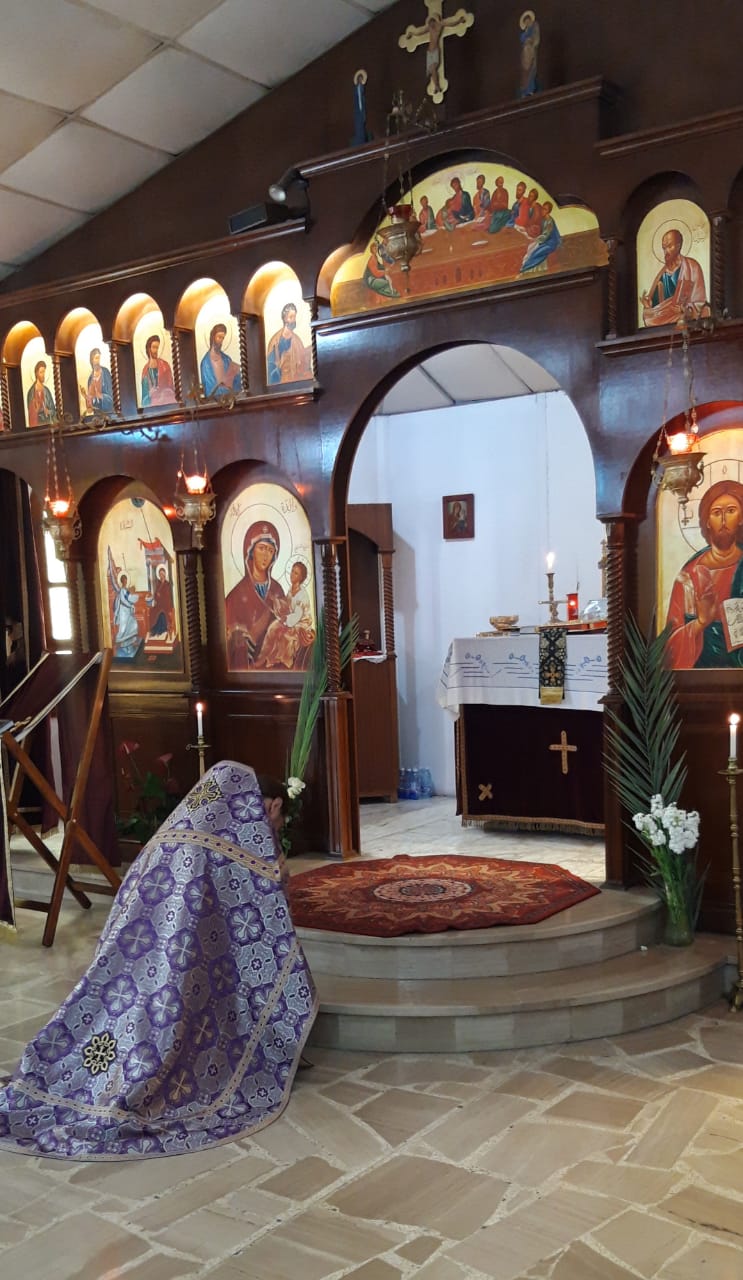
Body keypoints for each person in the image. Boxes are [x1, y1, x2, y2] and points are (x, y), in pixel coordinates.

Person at [0, 762, 317, 1160]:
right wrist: (277, 875)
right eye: (276, 820)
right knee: (160, 1040)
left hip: (125, 966)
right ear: (271, 806)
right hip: (171, 978)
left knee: (113, 1022)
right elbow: (261, 921)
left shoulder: (171, 833)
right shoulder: (229, 854)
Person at [665, 479, 743, 668]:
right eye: (716, 513)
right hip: (702, 676)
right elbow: (670, 646)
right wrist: (700, 622)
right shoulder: (688, 577)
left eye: (731, 511)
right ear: (707, 521)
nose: (723, 520)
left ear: (741, 518)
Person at [225, 520, 287, 669]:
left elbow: (285, 625)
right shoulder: (236, 595)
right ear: (251, 551)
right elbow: (227, 636)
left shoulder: (277, 590)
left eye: (270, 551)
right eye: (262, 548)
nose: (266, 555)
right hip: (246, 670)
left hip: (274, 666)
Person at [641, 229, 708, 327]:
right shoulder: (662, 275)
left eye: (669, 246)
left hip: (686, 319)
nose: (666, 251)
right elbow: (654, 311)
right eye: (664, 248)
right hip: (663, 323)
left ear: (678, 246)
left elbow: (701, 303)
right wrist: (648, 306)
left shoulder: (692, 267)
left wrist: (685, 309)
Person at [257, 561, 315, 669]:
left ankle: (284, 662)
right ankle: (265, 658)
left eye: (296, 573)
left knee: (285, 636)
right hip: (290, 621)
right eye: (292, 571)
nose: (292, 574)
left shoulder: (302, 595)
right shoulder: (291, 589)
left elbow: (297, 615)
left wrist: (286, 618)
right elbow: (288, 605)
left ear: (301, 577)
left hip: (301, 624)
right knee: (272, 628)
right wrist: (276, 601)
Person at [266, 303, 312, 385]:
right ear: (285, 319)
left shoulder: (297, 341)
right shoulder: (275, 341)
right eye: (291, 317)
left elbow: (303, 366)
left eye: (294, 317)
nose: (294, 320)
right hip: (281, 384)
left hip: (296, 384)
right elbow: (271, 368)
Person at [200, 323, 242, 397]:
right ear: (213, 337)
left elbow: (236, 385)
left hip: (231, 400)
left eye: (223, 338)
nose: (221, 341)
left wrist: (237, 374)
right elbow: (210, 390)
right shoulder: (206, 363)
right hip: (215, 402)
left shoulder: (227, 359)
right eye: (219, 337)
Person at [520, 200, 562, 272]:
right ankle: (526, 268)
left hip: (551, 243)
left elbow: (545, 235)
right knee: (530, 248)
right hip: (544, 241)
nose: (542, 211)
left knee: (535, 253)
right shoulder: (543, 220)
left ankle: (524, 269)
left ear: (548, 211)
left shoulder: (549, 221)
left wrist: (535, 240)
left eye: (545, 209)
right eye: (542, 208)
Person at [110, 565, 141, 660]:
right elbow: (127, 599)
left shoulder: (125, 590)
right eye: (124, 580)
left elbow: (129, 598)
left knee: (132, 625)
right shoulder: (122, 590)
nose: (125, 581)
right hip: (124, 612)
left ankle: (128, 645)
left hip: (127, 611)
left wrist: (133, 595)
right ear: (122, 581)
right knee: (123, 629)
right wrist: (135, 597)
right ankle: (118, 644)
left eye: (126, 579)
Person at [140, 335, 175, 407]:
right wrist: (150, 394)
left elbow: (171, 388)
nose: (156, 350)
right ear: (149, 348)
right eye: (154, 347)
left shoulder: (165, 366)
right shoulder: (145, 370)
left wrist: (164, 392)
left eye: (157, 348)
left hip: (166, 402)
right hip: (153, 406)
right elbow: (144, 399)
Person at [80, 347, 114, 415]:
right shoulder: (90, 379)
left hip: (109, 413)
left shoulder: (105, 372)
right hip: (97, 415)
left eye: (99, 358)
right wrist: (85, 396)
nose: (98, 361)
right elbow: (90, 408)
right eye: (96, 358)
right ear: (92, 360)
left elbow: (112, 396)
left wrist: (100, 395)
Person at [147, 565, 176, 639]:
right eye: (160, 574)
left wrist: (161, 595)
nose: (161, 575)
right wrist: (157, 596)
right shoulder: (158, 584)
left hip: (166, 605)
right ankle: (154, 630)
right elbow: (155, 595)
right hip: (159, 604)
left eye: (162, 574)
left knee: (161, 614)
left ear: (165, 574)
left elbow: (168, 596)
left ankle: (158, 631)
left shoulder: (167, 584)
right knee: (152, 612)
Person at [26, 359, 57, 426]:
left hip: (48, 424)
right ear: (36, 373)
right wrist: (36, 410)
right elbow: (30, 413)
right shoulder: (31, 393)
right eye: (41, 372)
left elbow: (53, 411)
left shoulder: (46, 391)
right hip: (37, 425)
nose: (43, 375)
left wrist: (48, 411)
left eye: (44, 372)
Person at [519, 10, 540, 98]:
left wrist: (531, 41)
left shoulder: (533, 28)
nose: (527, 22)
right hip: (525, 52)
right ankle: (525, 90)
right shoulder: (524, 33)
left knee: (531, 69)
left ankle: (530, 89)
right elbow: (522, 39)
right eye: (525, 21)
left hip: (531, 50)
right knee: (525, 72)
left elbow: (535, 37)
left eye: (528, 20)